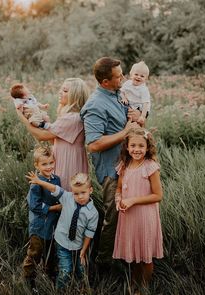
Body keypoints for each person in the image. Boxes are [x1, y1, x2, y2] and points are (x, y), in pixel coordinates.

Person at [80, 57, 140, 266]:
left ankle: (126, 256)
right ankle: (104, 264)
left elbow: (131, 124)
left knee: (129, 214)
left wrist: (137, 117)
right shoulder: (95, 105)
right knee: (112, 219)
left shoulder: (118, 94)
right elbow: (93, 144)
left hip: (129, 166)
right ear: (105, 81)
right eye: (118, 76)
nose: (123, 77)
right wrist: (125, 132)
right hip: (111, 171)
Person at [26, 172, 99, 292]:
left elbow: (89, 233)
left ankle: (82, 288)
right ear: (72, 191)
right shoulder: (67, 198)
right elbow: (54, 188)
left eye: (83, 192)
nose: (80, 196)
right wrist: (39, 181)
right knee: (65, 270)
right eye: (76, 193)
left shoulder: (93, 213)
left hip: (79, 246)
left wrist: (83, 251)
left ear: (90, 190)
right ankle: (59, 290)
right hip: (62, 243)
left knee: (82, 270)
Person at [113, 127, 163, 293]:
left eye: (141, 146)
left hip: (145, 217)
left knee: (145, 255)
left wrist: (133, 200)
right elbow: (119, 188)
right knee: (134, 253)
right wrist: (118, 200)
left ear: (147, 147)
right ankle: (134, 282)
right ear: (127, 147)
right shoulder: (124, 165)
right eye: (133, 145)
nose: (136, 149)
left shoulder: (150, 167)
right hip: (129, 217)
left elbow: (158, 195)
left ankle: (144, 287)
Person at [16, 78, 89, 191]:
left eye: (65, 91)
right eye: (61, 89)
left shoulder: (72, 118)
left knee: (65, 193)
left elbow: (41, 136)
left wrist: (22, 118)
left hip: (68, 160)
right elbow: (54, 139)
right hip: (63, 155)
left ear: (75, 95)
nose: (60, 92)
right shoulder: (71, 116)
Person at [23, 146, 62, 293]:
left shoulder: (56, 179)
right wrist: (54, 208)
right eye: (44, 164)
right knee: (35, 253)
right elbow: (35, 206)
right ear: (36, 165)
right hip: (39, 226)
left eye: (51, 162)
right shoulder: (36, 182)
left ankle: (51, 277)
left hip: (52, 225)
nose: (49, 166)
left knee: (51, 252)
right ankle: (29, 280)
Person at [121, 61, 151, 126]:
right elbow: (121, 91)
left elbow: (145, 103)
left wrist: (143, 116)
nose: (138, 77)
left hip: (141, 108)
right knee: (123, 107)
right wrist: (123, 97)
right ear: (131, 75)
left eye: (142, 76)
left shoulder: (143, 89)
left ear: (146, 79)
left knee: (138, 122)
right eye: (136, 74)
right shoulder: (127, 83)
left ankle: (138, 128)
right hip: (131, 104)